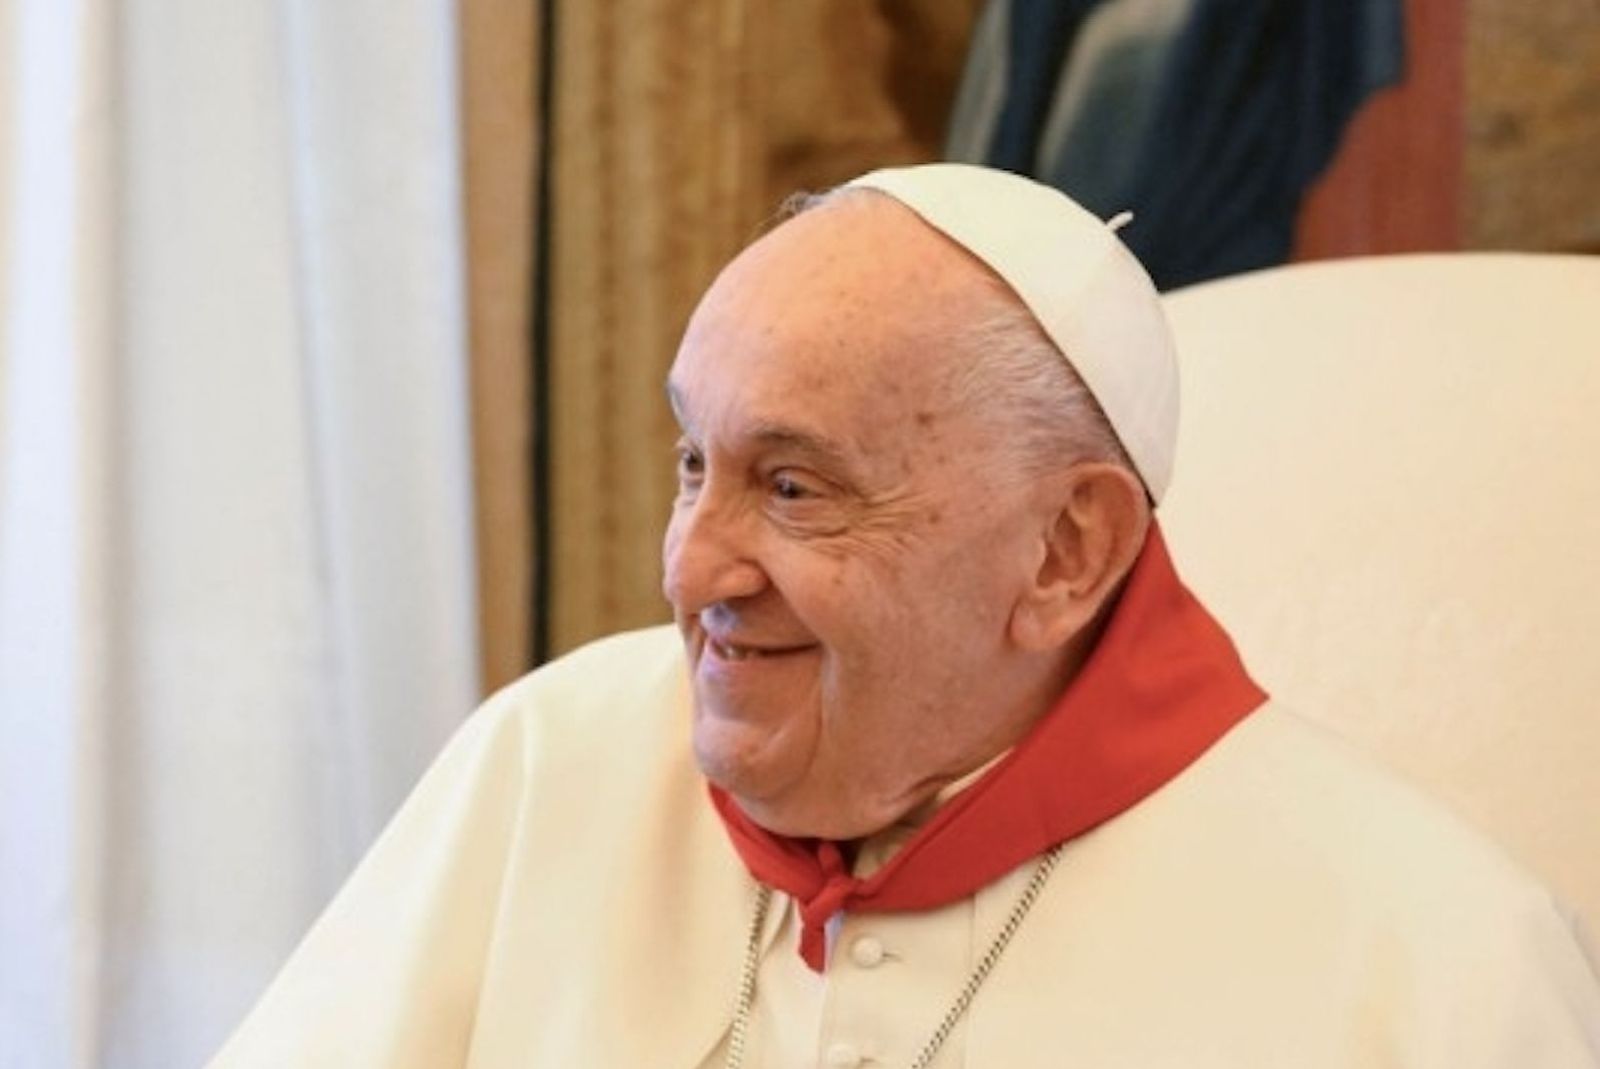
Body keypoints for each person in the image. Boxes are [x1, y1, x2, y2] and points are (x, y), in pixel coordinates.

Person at [210, 164, 1600, 1067]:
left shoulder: (1429, 955)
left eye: (796, 486)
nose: (697, 565)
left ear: (1067, 548)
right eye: (695, 461)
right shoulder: (548, 759)